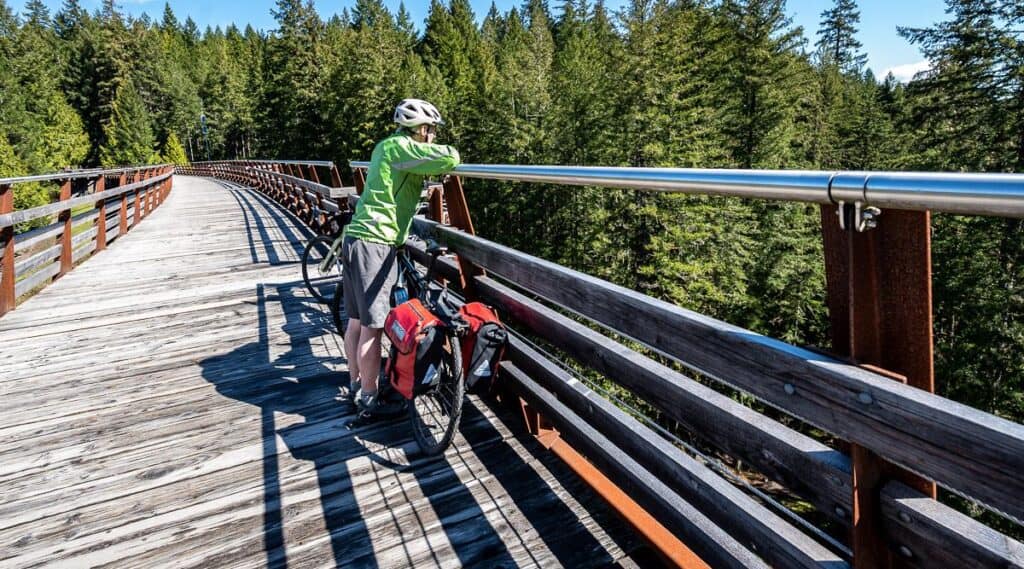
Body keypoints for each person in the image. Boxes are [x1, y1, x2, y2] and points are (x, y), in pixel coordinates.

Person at [340, 98, 460, 417]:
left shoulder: (387, 147)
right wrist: (438, 152)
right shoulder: (401, 147)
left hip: (356, 238)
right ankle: (369, 399)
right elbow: (450, 157)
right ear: (420, 129)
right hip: (375, 243)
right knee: (372, 327)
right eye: (431, 130)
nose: (433, 135)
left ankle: (355, 384)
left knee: (356, 321)